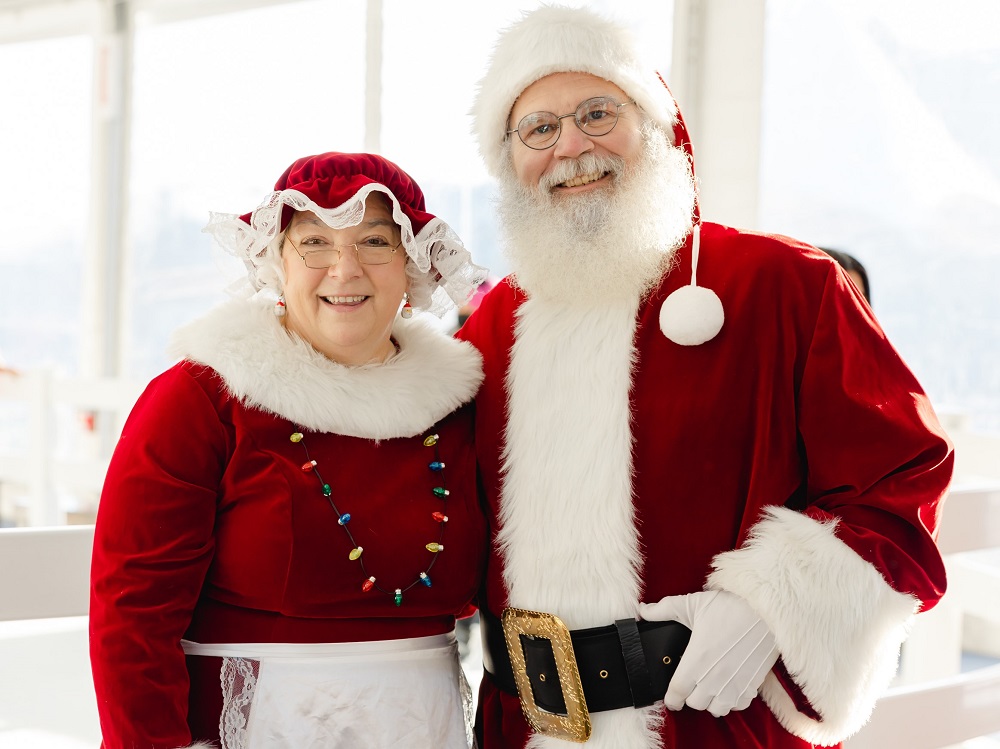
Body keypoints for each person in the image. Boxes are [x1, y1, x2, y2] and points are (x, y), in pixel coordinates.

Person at [457, 6, 953, 749]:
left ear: (657, 126)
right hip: (521, 728)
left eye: (599, 113)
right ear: (510, 160)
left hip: (723, 723)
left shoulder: (787, 285)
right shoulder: (490, 328)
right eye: (539, 128)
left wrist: (772, 606)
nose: (572, 148)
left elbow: (902, 483)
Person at [89, 152, 489, 748]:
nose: (344, 269)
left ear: (413, 263)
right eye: (314, 242)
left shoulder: (459, 410)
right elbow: (131, 617)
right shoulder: (202, 399)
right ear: (277, 260)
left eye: (374, 241)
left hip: (420, 726)